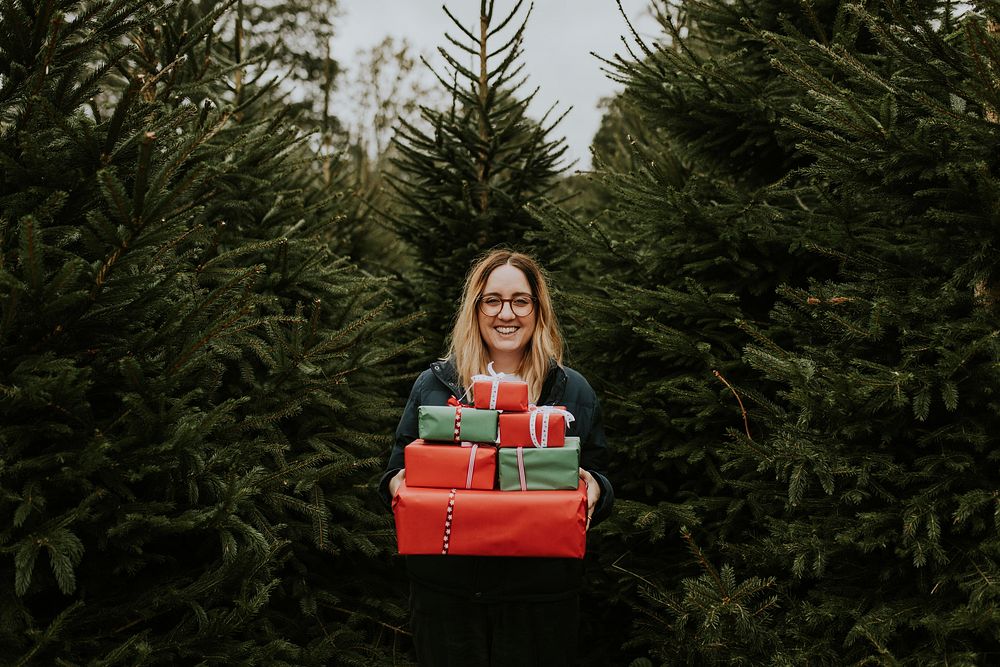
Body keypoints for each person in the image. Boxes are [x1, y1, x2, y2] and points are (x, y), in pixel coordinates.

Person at [377, 249, 615, 666]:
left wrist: (595, 487)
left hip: (539, 600)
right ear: (476, 308)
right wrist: (401, 486)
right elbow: (396, 469)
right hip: (446, 597)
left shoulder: (571, 391)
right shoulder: (434, 386)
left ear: (538, 309)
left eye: (520, 300)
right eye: (493, 300)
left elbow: (599, 472)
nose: (507, 313)